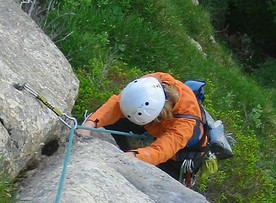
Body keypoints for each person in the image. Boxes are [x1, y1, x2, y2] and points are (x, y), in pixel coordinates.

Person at [78, 72, 208, 183]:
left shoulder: (184, 125)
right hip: (158, 123)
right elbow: (118, 104)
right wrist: (90, 124)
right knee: (116, 119)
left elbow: (162, 151)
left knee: (157, 185)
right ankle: (127, 149)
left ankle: (131, 152)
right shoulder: (154, 82)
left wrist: (135, 157)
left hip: (181, 156)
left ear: (159, 116)